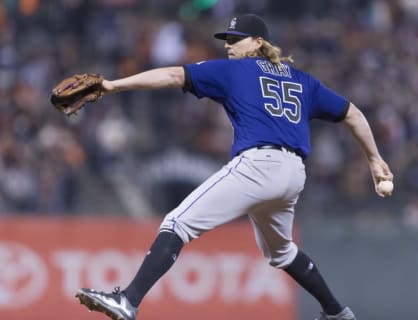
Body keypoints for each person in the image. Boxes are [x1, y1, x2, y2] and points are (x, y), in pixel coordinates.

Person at [75, 13, 394, 320]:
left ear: (258, 42)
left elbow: (174, 75)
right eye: (227, 39)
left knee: (177, 223)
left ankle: (128, 301)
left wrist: (113, 85)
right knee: (281, 253)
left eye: (236, 39)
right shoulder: (303, 80)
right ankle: (338, 312)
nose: (229, 45)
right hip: (293, 174)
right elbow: (352, 112)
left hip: (259, 165)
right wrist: (375, 159)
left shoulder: (236, 71)